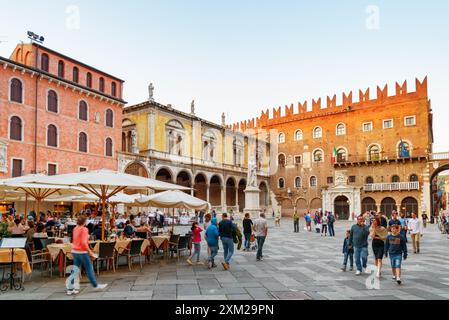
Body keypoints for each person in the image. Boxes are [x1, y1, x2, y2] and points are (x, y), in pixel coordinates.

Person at [66, 215, 107, 295]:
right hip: (82, 252)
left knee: (75, 270)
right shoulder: (84, 229)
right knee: (89, 269)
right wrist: (90, 252)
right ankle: (95, 285)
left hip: (75, 251)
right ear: (84, 222)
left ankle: (70, 289)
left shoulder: (75, 229)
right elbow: (84, 243)